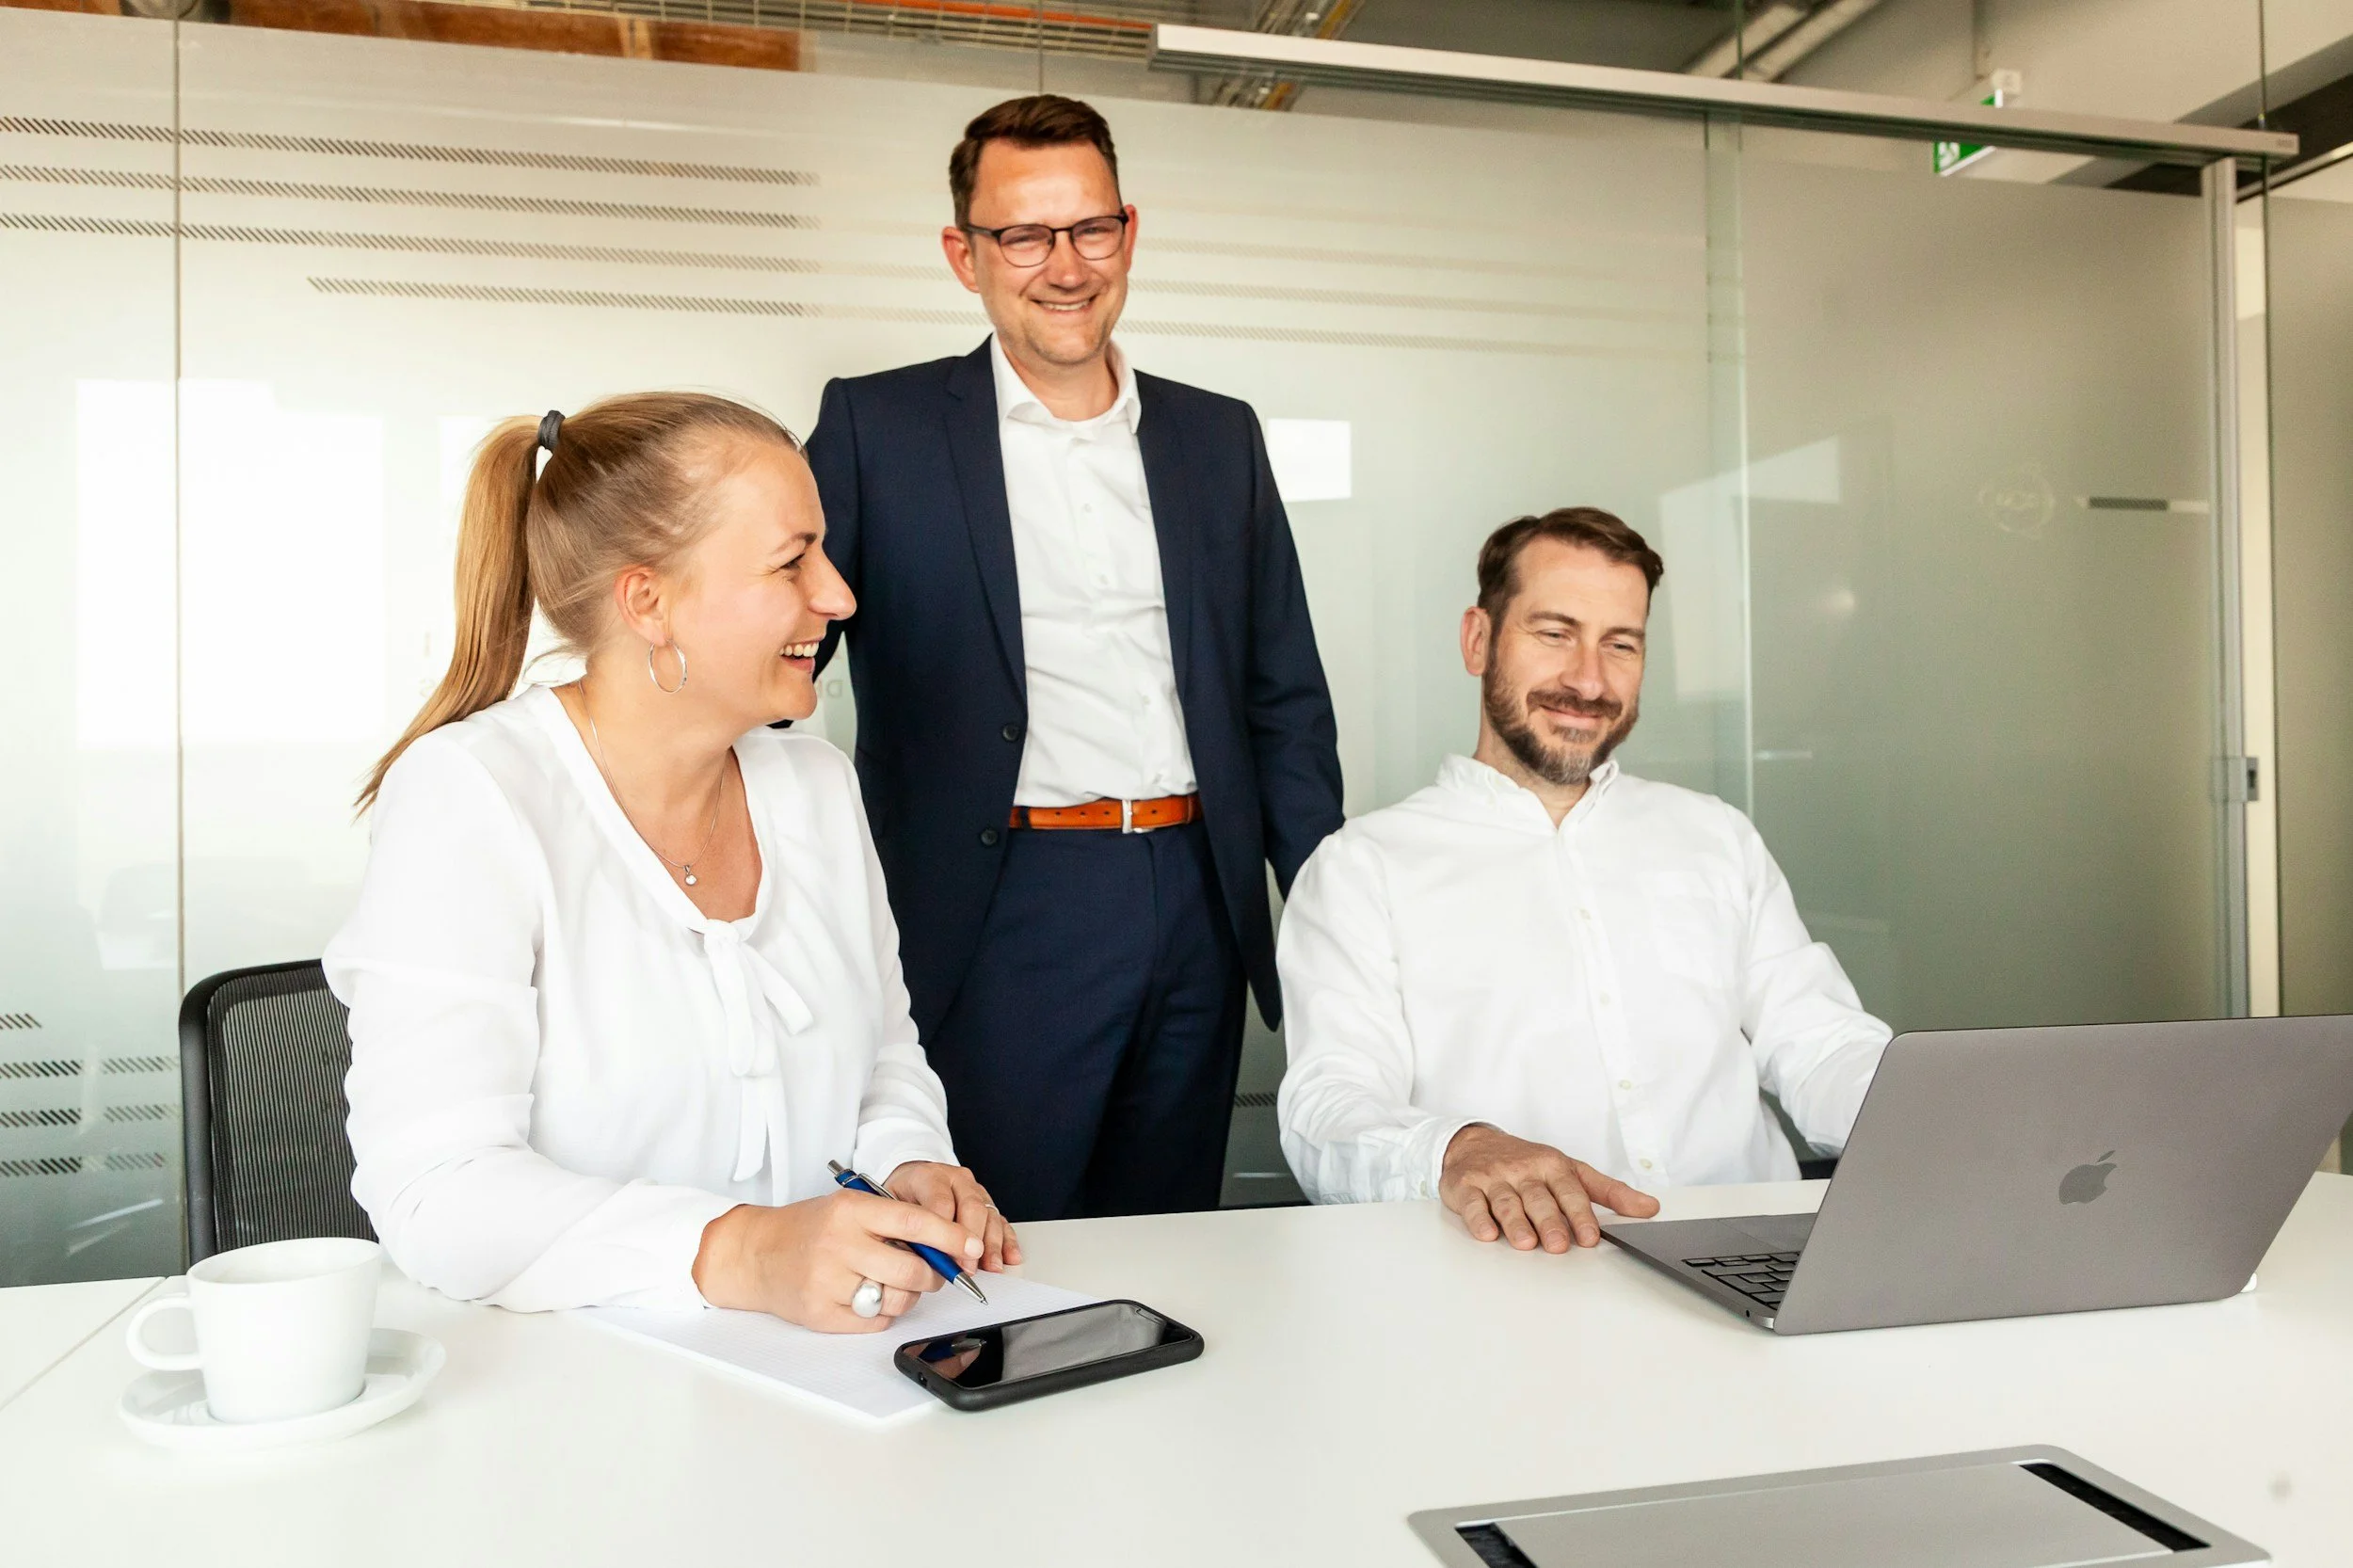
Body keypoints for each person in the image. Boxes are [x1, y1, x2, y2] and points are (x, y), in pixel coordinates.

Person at [327, 393, 1016, 1334]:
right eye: (792, 561)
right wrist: (745, 1252)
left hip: (828, 1364)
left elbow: (885, 1060)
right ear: (648, 602)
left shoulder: (815, 786)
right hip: (569, 1377)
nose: (838, 595)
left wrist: (909, 1164)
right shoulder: (471, 793)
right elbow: (435, 1191)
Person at [803, 95, 1344, 1223]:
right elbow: (775, 655)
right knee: (1003, 1246)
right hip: (1000, 902)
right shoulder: (877, 429)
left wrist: (1333, 921)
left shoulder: (1219, 436)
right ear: (964, 254)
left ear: (1128, 235)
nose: (1065, 266)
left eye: (1091, 228)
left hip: (1197, 896)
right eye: (1023, 235)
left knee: (1172, 1237)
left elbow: (1282, 700)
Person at [1275, 507, 1891, 1254]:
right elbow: (1328, 1108)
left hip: (1756, 1257)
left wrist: (1933, 1116)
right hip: (1520, 1273)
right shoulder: (1361, 869)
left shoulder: (1716, 837)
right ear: (1478, 640)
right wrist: (1456, 1149)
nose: (1589, 679)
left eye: (1620, 644)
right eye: (1555, 633)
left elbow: (1819, 1042)